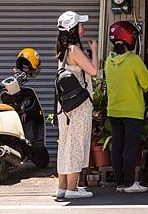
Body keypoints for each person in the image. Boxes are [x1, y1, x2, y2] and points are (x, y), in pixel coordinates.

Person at [104, 21, 148, 194]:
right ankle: (130, 183)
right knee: (130, 147)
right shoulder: (134, 60)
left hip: (113, 110)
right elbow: (146, 84)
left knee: (116, 145)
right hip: (132, 111)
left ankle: (119, 184)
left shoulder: (109, 61)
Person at [55, 11, 97, 200]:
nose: (83, 28)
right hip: (78, 104)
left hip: (64, 106)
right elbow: (94, 71)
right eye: (80, 24)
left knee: (65, 143)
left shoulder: (62, 49)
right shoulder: (74, 50)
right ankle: (73, 188)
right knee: (76, 143)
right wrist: (94, 51)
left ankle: (63, 186)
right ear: (73, 29)